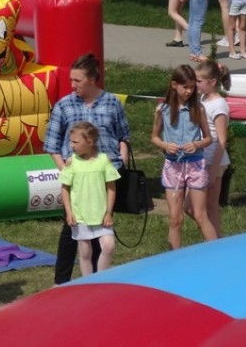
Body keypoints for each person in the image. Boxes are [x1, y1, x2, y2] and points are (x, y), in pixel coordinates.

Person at [43, 53, 130, 285]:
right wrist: (66, 172)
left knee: (100, 225)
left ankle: (94, 280)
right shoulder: (65, 105)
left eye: (77, 80)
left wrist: (122, 159)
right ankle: (61, 281)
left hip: (105, 173)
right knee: (71, 228)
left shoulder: (112, 102)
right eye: (72, 80)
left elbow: (124, 134)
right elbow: (51, 143)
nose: (73, 85)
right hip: (76, 177)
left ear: (92, 79)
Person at [150, 65, 216, 250]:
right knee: (175, 218)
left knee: (200, 214)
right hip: (173, 166)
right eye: (185, 87)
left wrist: (196, 144)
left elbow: (209, 138)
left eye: (192, 87)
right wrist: (164, 145)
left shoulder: (198, 109)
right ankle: (174, 259)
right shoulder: (162, 109)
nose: (188, 91)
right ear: (174, 85)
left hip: (195, 164)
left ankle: (218, 254)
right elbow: (154, 137)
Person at [59, 122, 118, 276]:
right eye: (71, 141)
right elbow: (65, 188)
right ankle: (88, 282)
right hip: (80, 215)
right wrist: (69, 212)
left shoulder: (104, 160)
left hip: (100, 215)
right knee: (85, 252)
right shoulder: (71, 162)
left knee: (109, 246)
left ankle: (101, 277)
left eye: (75, 142)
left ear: (90, 142)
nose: (72, 145)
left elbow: (111, 187)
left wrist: (108, 212)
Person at [194, 61, 230, 238]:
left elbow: (222, 139)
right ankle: (214, 239)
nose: (196, 84)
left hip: (214, 160)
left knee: (211, 206)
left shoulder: (219, 105)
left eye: (199, 81)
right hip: (202, 158)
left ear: (213, 81)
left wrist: (214, 168)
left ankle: (216, 244)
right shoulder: (202, 99)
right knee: (193, 207)